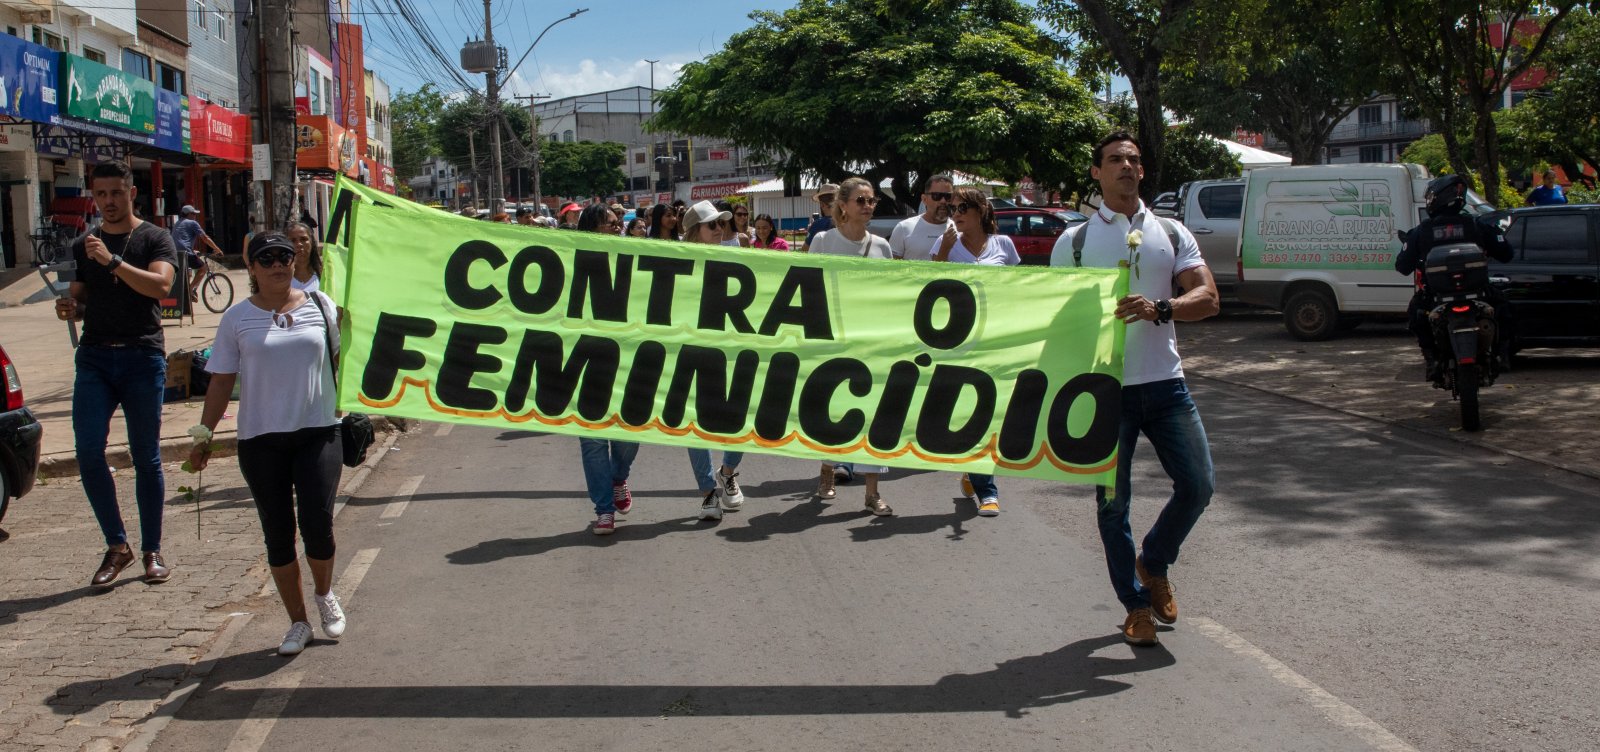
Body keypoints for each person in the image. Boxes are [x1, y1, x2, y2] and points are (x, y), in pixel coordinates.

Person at [1048, 131, 1220, 647]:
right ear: (1097, 173)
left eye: (1133, 160)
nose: (1126, 166)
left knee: (1198, 485)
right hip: (1106, 393)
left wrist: (1161, 307)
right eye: (1115, 160)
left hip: (1167, 386)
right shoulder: (1073, 242)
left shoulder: (1170, 230)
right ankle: (1136, 604)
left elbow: (1208, 297)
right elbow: (1056, 322)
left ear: (1142, 172)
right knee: (1112, 506)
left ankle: (1155, 561)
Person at [190, 232, 348, 655]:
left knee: (318, 523)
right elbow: (222, 380)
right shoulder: (236, 319)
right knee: (278, 533)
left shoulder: (322, 306)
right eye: (267, 258)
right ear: (252, 267)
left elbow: (344, 358)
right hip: (261, 439)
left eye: (285, 256)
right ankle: (298, 623)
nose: (279, 263)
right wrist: (203, 436)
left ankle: (324, 593)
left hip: (318, 430)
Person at [56, 161, 179, 589]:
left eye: (116, 193)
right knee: (88, 452)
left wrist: (113, 262)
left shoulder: (155, 238)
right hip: (94, 358)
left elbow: (161, 289)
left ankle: (152, 550)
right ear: (94, 196)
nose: (108, 202)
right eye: (101, 194)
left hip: (142, 356)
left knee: (146, 456)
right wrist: (72, 309)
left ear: (131, 193)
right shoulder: (81, 245)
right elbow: (80, 300)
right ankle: (117, 546)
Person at [807, 177, 894, 516]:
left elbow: (890, 297)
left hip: (871, 344)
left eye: (872, 200)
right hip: (833, 342)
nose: (868, 206)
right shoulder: (824, 241)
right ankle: (827, 468)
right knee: (833, 412)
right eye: (861, 200)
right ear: (842, 205)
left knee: (872, 416)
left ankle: (872, 492)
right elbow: (810, 290)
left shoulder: (882, 247)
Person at [931, 188, 1020, 518]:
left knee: (991, 412)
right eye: (952, 207)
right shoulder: (946, 245)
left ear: (982, 209)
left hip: (995, 341)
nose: (956, 212)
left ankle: (981, 480)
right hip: (959, 340)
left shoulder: (1004, 245)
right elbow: (927, 285)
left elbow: (1020, 290)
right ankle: (983, 481)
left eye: (963, 206)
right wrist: (942, 250)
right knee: (969, 410)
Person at [1395, 173, 1514, 380]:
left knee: (1416, 313)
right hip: (1479, 293)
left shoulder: (1421, 231)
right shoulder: (1477, 226)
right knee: (1504, 308)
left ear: (1436, 199)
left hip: (1436, 297)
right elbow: (1506, 254)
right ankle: (1501, 355)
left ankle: (1431, 360)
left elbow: (1402, 266)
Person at [569, 204, 642, 534]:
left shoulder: (635, 260)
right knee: (593, 441)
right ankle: (604, 509)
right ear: (590, 229)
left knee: (630, 432)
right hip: (586, 364)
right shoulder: (572, 265)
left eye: (618, 224)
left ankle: (618, 477)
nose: (618, 229)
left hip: (629, 363)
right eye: (610, 225)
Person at [678, 200, 750, 520]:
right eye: (712, 225)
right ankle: (708, 492)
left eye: (722, 223)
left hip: (732, 351)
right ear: (694, 232)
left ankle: (728, 471)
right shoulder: (674, 264)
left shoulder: (735, 259)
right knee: (696, 424)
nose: (720, 229)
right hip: (692, 352)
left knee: (743, 417)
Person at [889, 174, 956, 261]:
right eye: (936, 196)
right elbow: (892, 267)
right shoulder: (904, 228)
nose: (943, 201)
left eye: (948, 196)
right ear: (924, 199)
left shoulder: (959, 229)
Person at [172, 205, 224, 304]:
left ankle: (187, 294)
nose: (195, 216)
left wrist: (193, 250)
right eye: (193, 214)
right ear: (188, 214)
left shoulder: (177, 223)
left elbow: (181, 240)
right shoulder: (192, 223)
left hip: (176, 253)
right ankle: (189, 290)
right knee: (203, 268)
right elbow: (205, 238)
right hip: (186, 252)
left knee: (187, 274)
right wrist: (217, 249)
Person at [800, 182, 838, 253]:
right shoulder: (849, 221)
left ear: (822, 205)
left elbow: (805, 249)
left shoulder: (818, 224)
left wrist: (811, 230)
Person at [285, 221, 323, 293]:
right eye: (293, 240)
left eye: (303, 239)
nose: (299, 244)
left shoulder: (325, 274)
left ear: (311, 241)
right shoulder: (281, 278)